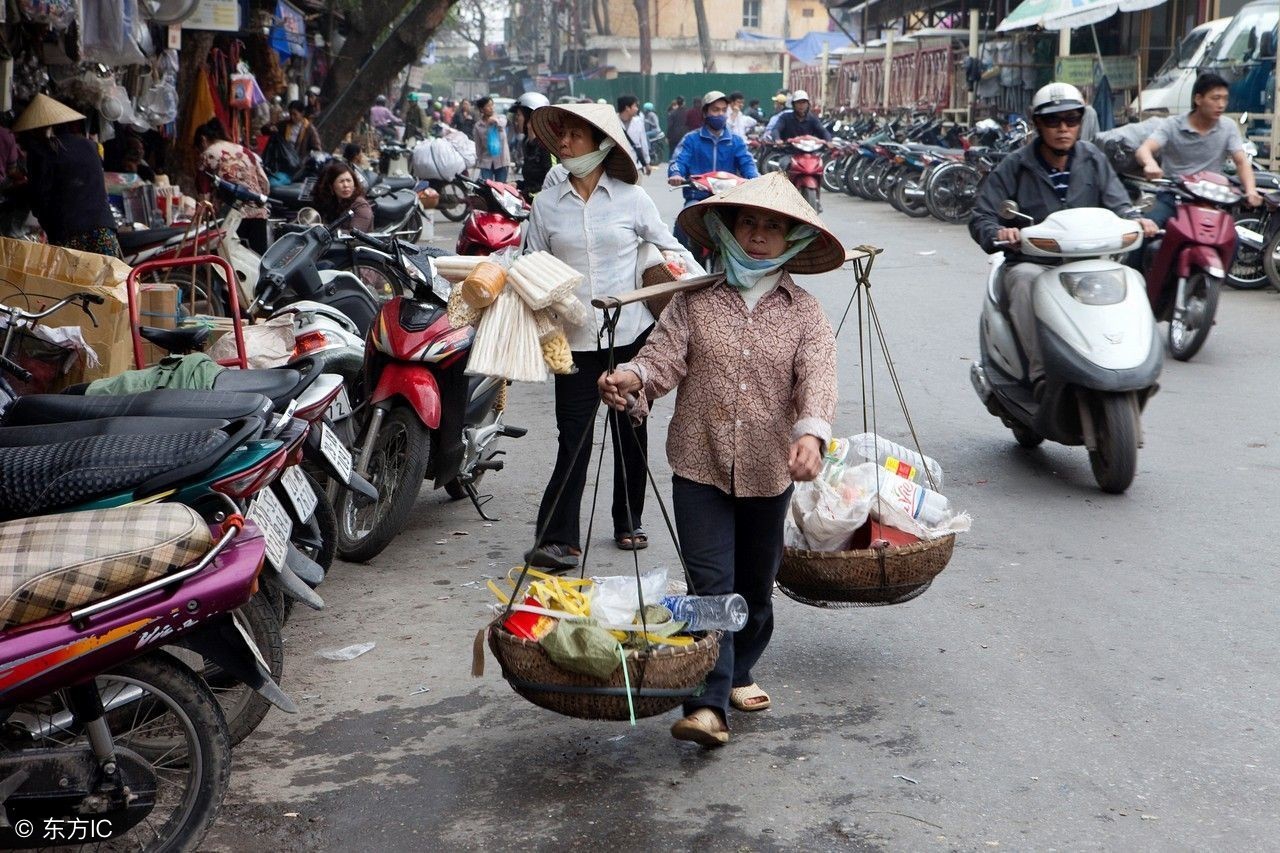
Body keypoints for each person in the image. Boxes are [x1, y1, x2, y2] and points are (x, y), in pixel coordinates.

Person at [598, 172, 842, 747]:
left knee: (756, 588)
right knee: (712, 586)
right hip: (699, 463)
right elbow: (661, 360)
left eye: (773, 227)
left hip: (768, 468)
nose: (758, 235)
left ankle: (741, 666)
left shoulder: (805, 313)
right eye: (749, 224)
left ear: (792, 240)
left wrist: (811, 436)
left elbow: (819, 382)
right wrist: (631, 378)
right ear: (728, 231)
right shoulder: (694, 303)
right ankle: (708, 704)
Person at [523, 102, 699, 570]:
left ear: (601, 145)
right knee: (573, 438)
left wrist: (702, 284)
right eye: (560, 137)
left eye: (574, 136)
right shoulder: (546, 205)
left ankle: (629, 520)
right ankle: (559, 538)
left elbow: (669, 246)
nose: (564, 144)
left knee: (631, 431)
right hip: (574, 342)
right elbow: (530, 264)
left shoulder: (631, 199)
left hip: (631, 337)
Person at [969, 82, 1158, 396]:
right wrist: (999, 232)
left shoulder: (1093, 159)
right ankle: (1041, 375)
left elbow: (1119, 204)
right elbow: (982, 215)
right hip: (1034, 263)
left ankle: (1128, 362)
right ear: (1038, 124)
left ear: (1080, 123)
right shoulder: (1015, 165)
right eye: (1053, 121)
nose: (1063, 128)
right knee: (1023, 282)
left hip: (1091, 264)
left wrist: (1136, 219)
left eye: (1071, 120)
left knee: (1132, 280)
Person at [1134, 72, 1261, 226]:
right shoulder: (1172, 125)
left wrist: (1251, 190)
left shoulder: (1228, 127)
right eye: (1215, 98)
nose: (1221, 104)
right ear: (1198, 99)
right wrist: (1150, 164)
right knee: (1147, 230)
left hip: (1210, 201)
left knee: (1231, 242)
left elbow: (1241, 162)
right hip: (1173, 197)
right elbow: (1144, 149)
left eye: (1225, 99)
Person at [12, 95, 120, 257]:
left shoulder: (41, 152)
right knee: (105, 281)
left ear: (35, 129)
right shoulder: (90, 146)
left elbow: (39, 196)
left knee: (71, 282)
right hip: (104, 229)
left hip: (69, 233)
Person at [668, 91, 759, 248]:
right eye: (715, 110)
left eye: (724, 110)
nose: (720, 114)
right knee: (683, 222)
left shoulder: (736, 141)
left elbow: (747, 162)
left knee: (750, 225)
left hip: (729, 200)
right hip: (698, 197)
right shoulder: (691, 139)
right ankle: (681, 262)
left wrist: (754, 178)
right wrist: (676, 174)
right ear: (705, 112)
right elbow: (678, 160)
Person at [194, 119, 272, 254]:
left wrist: (198, 222)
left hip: (231, 217)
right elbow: (265, 185)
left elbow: (204, 196)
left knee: (229, 263)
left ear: (203, 140)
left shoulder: (208, 154)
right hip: (259, 212)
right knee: (257, 261)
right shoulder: (244, 150)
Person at [313, 161, 374, 232]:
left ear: (354, 184)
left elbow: (354, 236)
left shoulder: (361, 206)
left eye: (348, 180)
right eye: (341, 181)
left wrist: (324, 228)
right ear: (331, 186)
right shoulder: (332, 202)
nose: (346, 185)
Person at [513, 92, 552, 197]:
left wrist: (527, 194)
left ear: (531, 117)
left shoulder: (547, 146)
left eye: (518, 115)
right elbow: (532, 181)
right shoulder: (527, 143)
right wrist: (517, 185)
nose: (516, 120)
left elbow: (552, 183)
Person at [472, 96, 511, 183]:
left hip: (502, 161)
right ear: (482, 109)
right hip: (486, 162)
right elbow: (478, 146)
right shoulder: (478, 126)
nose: (492, 108)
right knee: (487, 189)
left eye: (492, 105)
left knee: (500, 189)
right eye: (488, 106)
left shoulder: (501, 118)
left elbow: (503, 124)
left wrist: (495, 121)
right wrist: (479, 160)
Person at [617, 94, 651, 175]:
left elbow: (643, 143)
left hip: (635, 166)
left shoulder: (639, 122)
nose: (637, 109)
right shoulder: (613, 121)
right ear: (627, 108)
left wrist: (647, 163)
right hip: (617, 168)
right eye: (635, 106)